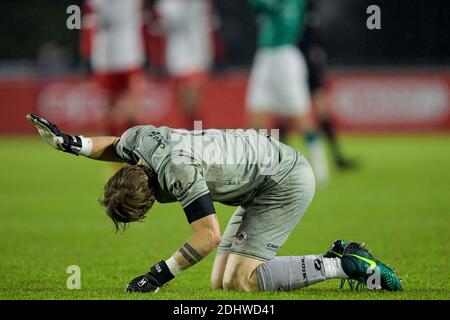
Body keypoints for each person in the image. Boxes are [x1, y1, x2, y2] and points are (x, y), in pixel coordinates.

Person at [26, 114, 402, 293]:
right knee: (221, 281)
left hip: (284, 180)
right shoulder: (139, 142)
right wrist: (71, 144)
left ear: (150, 201)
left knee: (241, 280)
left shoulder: (179, 173)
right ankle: (338, 257)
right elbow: (111, 144)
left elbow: (208, 236)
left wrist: (157, 276)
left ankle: (346, 264)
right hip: (263, 172)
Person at [246, 0, 329, 185]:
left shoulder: (294, 2)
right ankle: (264, 171)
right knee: (257, 115)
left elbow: (268, 6)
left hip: (285, 57)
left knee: (300, 116)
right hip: (264, 56)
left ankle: (319, 164)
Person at [300, 0, 358, 170]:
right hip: (293, 66)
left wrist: (318, 50)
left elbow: (314, 35)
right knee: (287, 116)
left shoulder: (310, 7)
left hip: (310, 66)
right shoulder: (291, 6)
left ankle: (337, 156)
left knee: (322, 112)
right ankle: (276, 162)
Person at [80, 0, 149, 136]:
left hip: (127, 57)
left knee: (128, 105)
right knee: (111, 105)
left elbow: (143, 22)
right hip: (108, 59)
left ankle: (130, 142)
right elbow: (88, 25)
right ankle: (115, 143)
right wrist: (87, 53)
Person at [153, 0, 214, 129]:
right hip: (175, 60)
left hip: (197, 59)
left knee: (192, 103)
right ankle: (191, 134)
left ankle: (199, 136)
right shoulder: (164, 6)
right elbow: (159, 32)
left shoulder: (199, 4)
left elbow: (208, 26)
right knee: (183, 106)